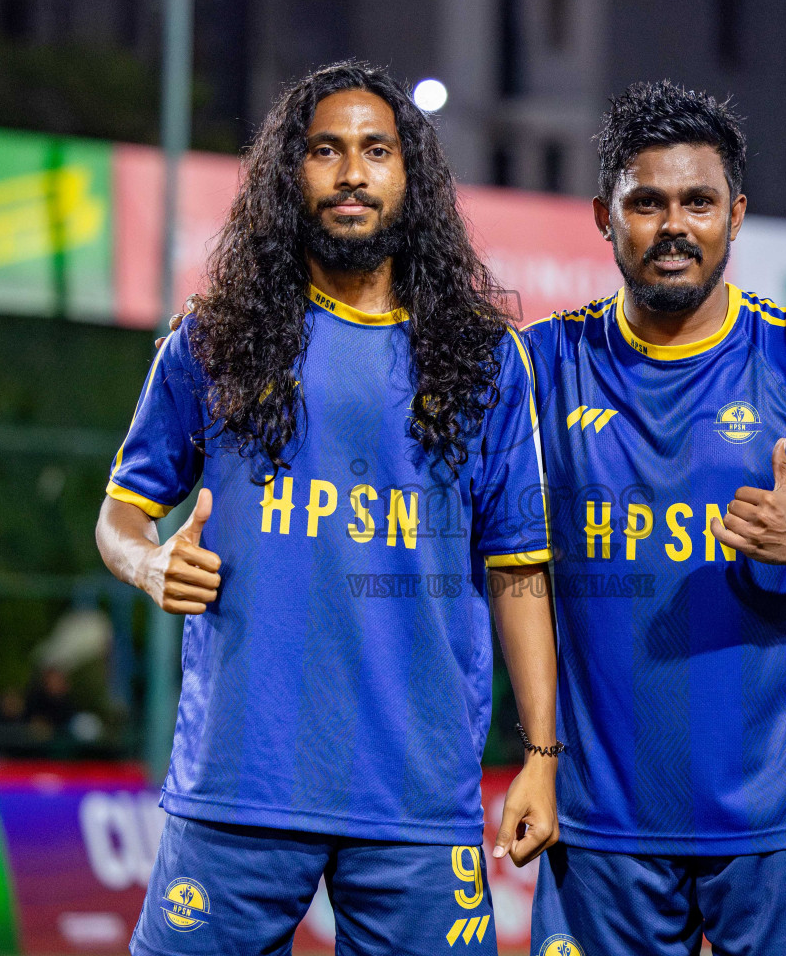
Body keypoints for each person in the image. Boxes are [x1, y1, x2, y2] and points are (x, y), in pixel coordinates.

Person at [96, 61, 559, 956]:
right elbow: (118, 517)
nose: (351, 173)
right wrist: (149, 562)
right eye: (325, 151)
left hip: (417, 797)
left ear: (409, 176)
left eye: (376, 151)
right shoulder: (214, 337)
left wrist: (542, 755)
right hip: (241, 782)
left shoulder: (486, 362)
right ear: (289, 175)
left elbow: (519, 569)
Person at [523, 82, 786, 956]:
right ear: (603, 216)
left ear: (737, 215)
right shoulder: (542, 365)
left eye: (698, 201)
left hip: (780, 823)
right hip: (602, 826)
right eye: (646, 202)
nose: (673, 226)